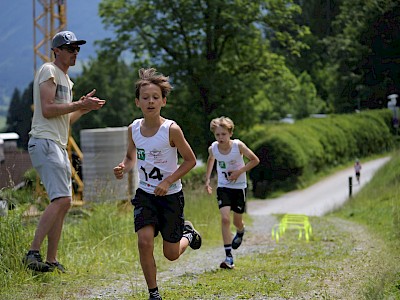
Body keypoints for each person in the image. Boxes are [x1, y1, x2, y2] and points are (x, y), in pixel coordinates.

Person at [113, 68, 201, 300]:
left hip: (171, 196)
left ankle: (188, 234)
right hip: (146, 195)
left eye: (155, 97)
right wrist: (124, 166)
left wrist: (169, 180)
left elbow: (190, 161)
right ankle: (154, 293)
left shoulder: (171, 130)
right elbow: (132, 157)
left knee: (171, 254)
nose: (150, 101)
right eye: (145, 97)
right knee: (144, 241)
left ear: (163, 101)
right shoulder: (133, 129)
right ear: (137, 102)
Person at [24, 31, 106, 273]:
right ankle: (32, 253)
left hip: (55, 144)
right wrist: (80, 104)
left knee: (62, 202)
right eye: (70, 48)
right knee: (63, 199)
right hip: (46, 142)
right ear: (56, 51)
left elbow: (65, 118)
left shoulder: (66, 81)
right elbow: (49, 109)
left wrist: (84, 108)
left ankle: (50, 260)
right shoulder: (49, 70)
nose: (75, 53)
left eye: (77, 48)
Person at [205, 116, 259, 269]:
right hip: (223, 187)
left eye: (223, 134)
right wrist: (207, 179)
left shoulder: (238, 146)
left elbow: (255, 160)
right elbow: (211, 160)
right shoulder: (213, 148)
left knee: (236, 221)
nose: (220, 138)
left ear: (230, 133)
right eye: (217, 135)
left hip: (239, 186)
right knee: (225, 219)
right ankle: (228, 256)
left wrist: (238, 172)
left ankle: (241, 231)